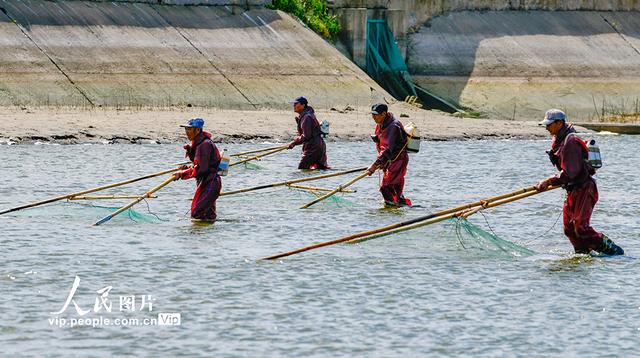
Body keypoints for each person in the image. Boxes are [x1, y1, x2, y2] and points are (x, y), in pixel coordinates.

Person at [534, 109, 623, 255]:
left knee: (581, 227)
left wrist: (549, 181)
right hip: (572, 189)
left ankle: (613, 251)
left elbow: (571, 172)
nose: (547, 128)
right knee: (569, 229)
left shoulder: (571, 142)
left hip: (584, 188)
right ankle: (582, 253)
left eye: (549, 124)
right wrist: (549, 181)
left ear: (560, 123)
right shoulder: (559, 141)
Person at [173, 118, 222, 222]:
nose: (186, 132)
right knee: (207, 215)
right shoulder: (199, 143)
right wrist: (186, 167)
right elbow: (198, 164)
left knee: (198, 213)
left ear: (198, 130)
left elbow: (201, 169)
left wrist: (182, 174)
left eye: (189, 129)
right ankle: (208, 234)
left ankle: (201, 236)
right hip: (207, 182)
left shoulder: (204, 145)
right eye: (186, 129)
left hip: (210, 183)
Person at [366, 103, 412, 207]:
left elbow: (387, 149)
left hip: (398, 161)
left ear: (384, 114)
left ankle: (392, 208)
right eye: (372, 114)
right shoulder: (381, 124)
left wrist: (374, 166)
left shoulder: (392, 127)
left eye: (375, 114)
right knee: (394, 187)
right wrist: (380, 163)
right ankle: (398, 205)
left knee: (386, 187)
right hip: (389, 161)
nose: (373, 117)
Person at [287, 96, 329, 170]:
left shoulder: (306, 117)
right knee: (320, 169)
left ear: (303, 105)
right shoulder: (306, 115)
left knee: (302, 169)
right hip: (318, 146)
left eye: (296, 104)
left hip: (313, 148)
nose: (294, 106)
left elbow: (307, 136)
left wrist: (294, 142)